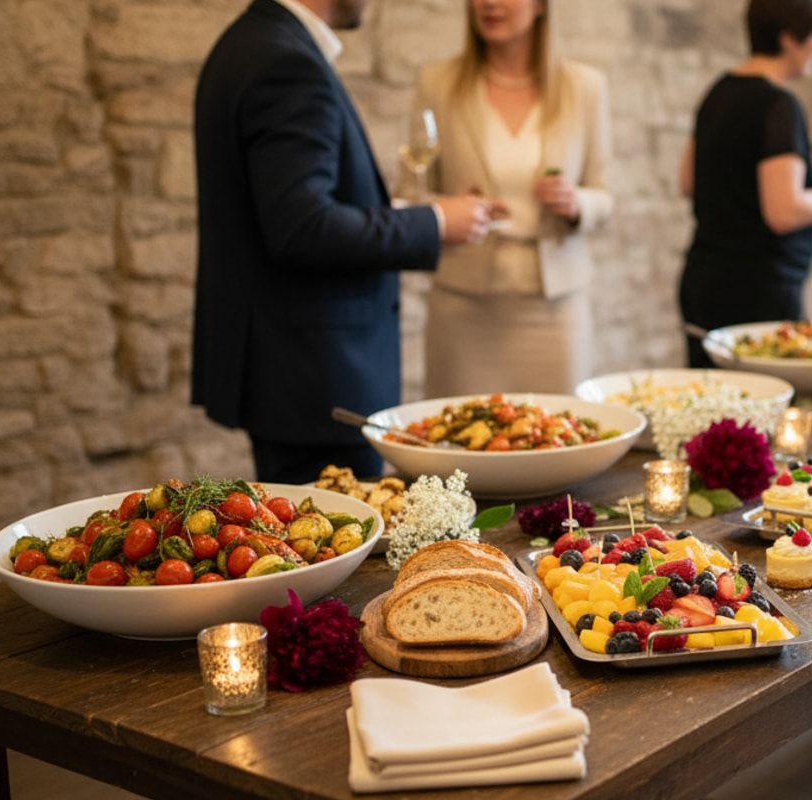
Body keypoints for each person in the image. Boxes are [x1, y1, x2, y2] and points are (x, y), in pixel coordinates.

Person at [192, 0, 495, 484]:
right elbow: (303, 228)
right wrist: (434, 223)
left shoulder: (252, 42)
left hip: (289, 369)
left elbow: (289, 212)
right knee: (337, 546)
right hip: (316, 379)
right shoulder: (286, 62)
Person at [413, 0, 615, 396]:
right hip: (463, 307)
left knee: (558, 441)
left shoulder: (584, 87)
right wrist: (452, 209)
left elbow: (605, 195)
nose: (488, 3)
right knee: (456, 445)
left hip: (555, 309)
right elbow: (411, 193)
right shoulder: (437, 83)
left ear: (541, 5)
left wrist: (577, 203)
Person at [677, 0, 812, 369]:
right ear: (788, 39)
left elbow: (688, 181)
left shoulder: (718, 91)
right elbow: (784, 213)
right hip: (757, 290)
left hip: (704, 279)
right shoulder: (779, 105)